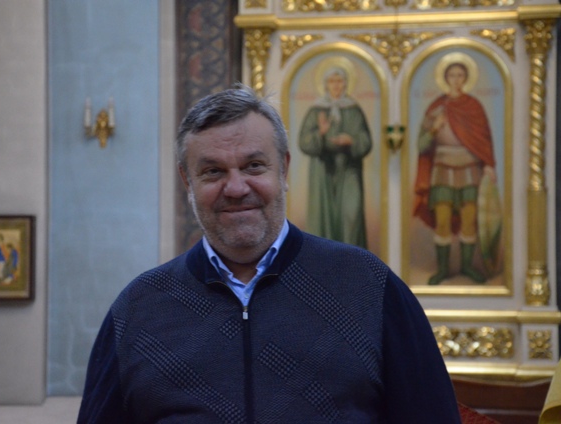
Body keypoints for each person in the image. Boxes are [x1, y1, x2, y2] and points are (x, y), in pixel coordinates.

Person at [78, 86, 461, 423]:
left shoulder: (367, 286)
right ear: (187, 181)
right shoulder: (139, 309)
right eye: (212, 172)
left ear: (284, 169)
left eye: (253, 166)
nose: (236, 188)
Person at [413, 61, 496, 286]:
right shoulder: (435, 108)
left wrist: (489, 164)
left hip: (470, 169)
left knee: (469, 220)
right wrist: (434, 128)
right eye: (452, 75)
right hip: (441, 170)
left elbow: (483, 140)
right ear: (445, 78)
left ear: (466, 78)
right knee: (442, 221)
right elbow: (421, 145)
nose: (456, 79)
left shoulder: (473, 107)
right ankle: (443, 269)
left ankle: (467, 266)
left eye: (460, 75)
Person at [298, 65, 372, 247]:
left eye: (340, 81)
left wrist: (351, 140)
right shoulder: (316, 110)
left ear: (346, 84)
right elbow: (304, 142)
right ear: (325, 85)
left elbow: (366, 141)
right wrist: (320, 133)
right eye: (332, 81)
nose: (336, 85)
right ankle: (324, 261)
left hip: (349, 169)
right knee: (324, 219)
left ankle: (351, 261)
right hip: (323, 170)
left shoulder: (354, 110)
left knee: (351, 216)